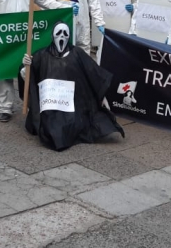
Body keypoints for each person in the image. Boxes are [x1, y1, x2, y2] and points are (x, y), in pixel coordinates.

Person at [20, 21, 124, 151]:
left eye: (65, 33)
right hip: (50, 105)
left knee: (73, 126)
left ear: (69, 36)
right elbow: (28, 77)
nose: (62, 36)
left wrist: (102, 97)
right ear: (52, 36)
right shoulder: (42, 55)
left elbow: (94, 74)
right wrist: (26, 66)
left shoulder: (77, 53)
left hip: (74, 104)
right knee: (50, 129)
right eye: (58, 33)